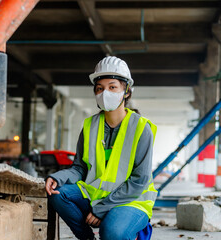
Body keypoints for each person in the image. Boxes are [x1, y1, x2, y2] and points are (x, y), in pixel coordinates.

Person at [45, 56, 157, 240]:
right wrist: (57, 178)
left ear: (126, 91)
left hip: (131, 201)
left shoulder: (141, 128)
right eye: (100, 88)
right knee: (58, 194)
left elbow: (140, 180)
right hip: (95, 194)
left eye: (112, 87)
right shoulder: (90, 126)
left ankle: (133, 231)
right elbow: (80, 168)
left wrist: (101, 210)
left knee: (112, 232)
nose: (105, 93)